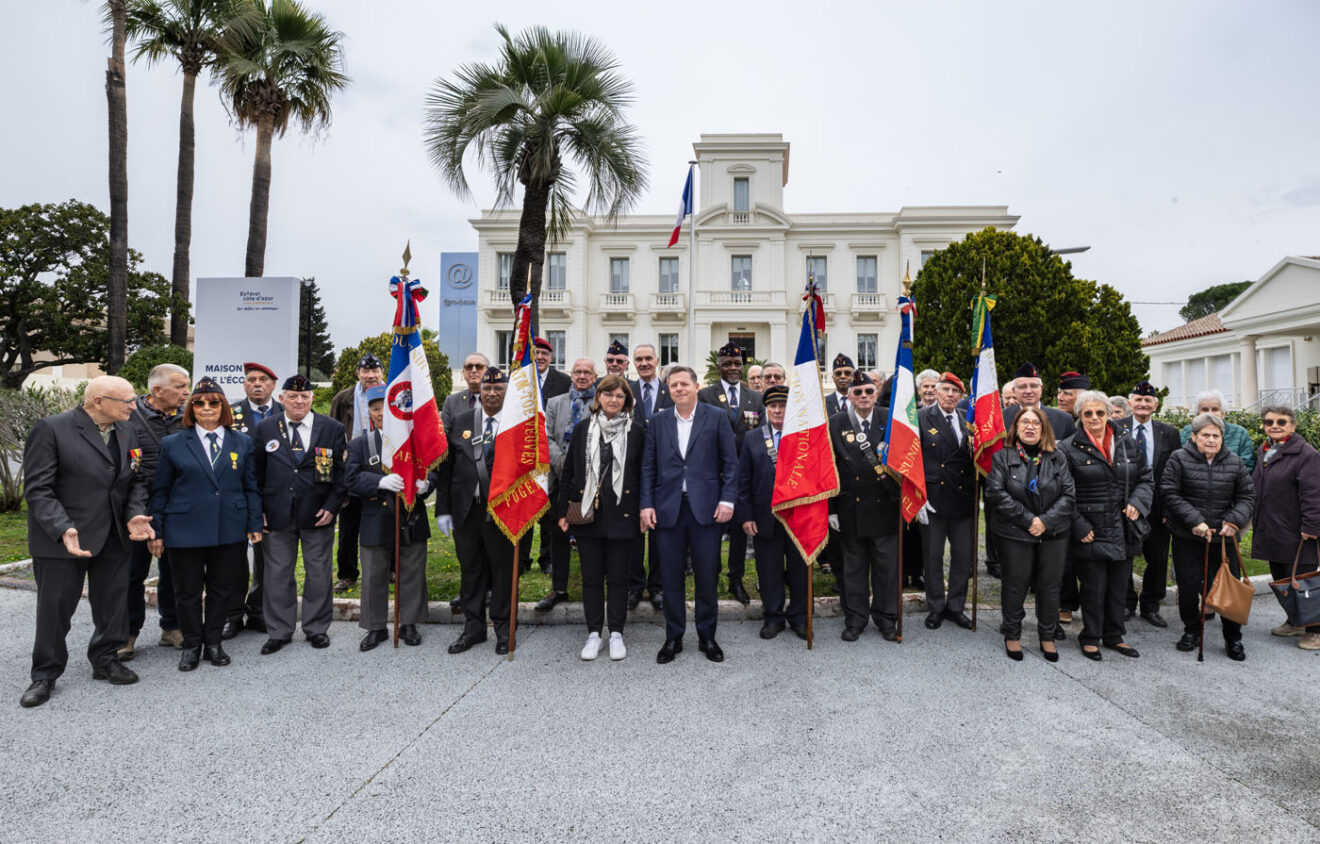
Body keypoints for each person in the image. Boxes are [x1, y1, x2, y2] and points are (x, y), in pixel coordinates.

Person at [20, 375, 156, 708]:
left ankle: (106, 659)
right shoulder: (52, 429)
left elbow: (136, 480)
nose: (134, 406)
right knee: (55, 609)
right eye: (127, 401)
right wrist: (62, 527)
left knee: (112, 602)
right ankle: (45, 674)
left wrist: (135, 513)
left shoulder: (127, 430)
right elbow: (38, 489)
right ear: (98, 401)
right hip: (64, 538)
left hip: (114, 535)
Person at [147, 378, 263, 671]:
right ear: (191, 408)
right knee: (186, 591)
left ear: (223, 407)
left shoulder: (242, 442)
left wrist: (253, 523)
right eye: (199, 403)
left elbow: (251, 487)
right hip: (184, 528)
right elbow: (160, 490)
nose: (206, 408)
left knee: (221, 589)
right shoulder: (173, 443)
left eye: (214, 402)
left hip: (229, 527)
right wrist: (157, 531)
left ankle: (213, 642)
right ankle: (191, 645)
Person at [642, 365, 739, 664]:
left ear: (696, 387)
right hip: (667, 509)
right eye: (673, 385)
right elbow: (648, 466)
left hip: (707, 509)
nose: (679, 389)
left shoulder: (717, 417)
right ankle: (673, 636)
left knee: (707, 574)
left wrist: (728, 500)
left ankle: (707, 636)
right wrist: (646, 505)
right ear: (668, 389)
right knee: (670, 576)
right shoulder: (658, 421)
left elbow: (730, 463)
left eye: (684, 384)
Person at [434, 367, 533, 655]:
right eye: (487, 389)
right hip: (468, 512)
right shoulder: (462, 421)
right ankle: (473, 628)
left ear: (507, 392)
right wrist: (443, 509)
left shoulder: (518, 424)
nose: (492, 393)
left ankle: (504, 629)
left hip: (503, 512)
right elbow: (447, 469)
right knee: (471, 571)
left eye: (498, 388)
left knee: (503, 574)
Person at [253, 375, 348, 654]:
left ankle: (316, 628)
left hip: (317, 514)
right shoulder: (266, 427)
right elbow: (255, 472)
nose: (298, 401)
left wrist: (332, 507)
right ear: (282, 398)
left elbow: (341, 473)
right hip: (276, 514)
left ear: (312, 398)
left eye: (304, 396)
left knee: (318, 573)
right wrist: (258, 510)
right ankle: (279, 631)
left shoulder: (331, 428)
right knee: (277, 574)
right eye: (293, 396)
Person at [1061, 391, 1153, 661]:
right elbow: (1063, 492)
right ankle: (1090, 636)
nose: (1094, 418)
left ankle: (1114, 635)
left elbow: (1146, 478)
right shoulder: (1067, 448)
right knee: (1094, 586)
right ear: (1080, 416)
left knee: (1118, 586)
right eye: (1088, 413)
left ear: (1109, 414)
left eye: (1100, 412)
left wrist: (1138, 502)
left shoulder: (1127, 442)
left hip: (1124, 527)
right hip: (1092, 528)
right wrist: (1078, 525)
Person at [558, 374, 644, 660]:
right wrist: (563, 510)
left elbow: (644, 474)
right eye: (608, 394)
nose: (613, 400)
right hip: (588, 514)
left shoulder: (636, 431)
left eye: (620, 396)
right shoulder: (583, 429)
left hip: (623, 513)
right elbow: (569, 471)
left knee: (619, 578)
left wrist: (644, 509)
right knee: (591, 578)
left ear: (626, 401)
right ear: (599, 397)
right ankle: (594, 633)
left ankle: (616, 633)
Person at [343, 385, 432, 651]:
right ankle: (376, 627)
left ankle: (409, 623)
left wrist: (427, 484)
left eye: (385, 407)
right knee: (373, 575)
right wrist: (378, 481)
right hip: (375, 518)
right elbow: (350, 479)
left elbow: (435, 466)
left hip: (411, 515)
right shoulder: (360, 444)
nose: (381, 413)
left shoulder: (416, 440)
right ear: (369, 413)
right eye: (375, 408)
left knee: (412, 571)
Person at [1161, 413, 1255, 661]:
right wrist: (1195, 521)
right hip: (1188, 536)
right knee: (1189, 587)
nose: (1211, 440)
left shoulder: (1234, 462)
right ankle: (1191, 631)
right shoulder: (1178, 459)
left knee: (1230, 588)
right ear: (1194, 437)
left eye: (1216, 435)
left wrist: (1234, 521)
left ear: (1222, 437)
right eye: (1205, 435)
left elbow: (1246, 496)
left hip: (1223, 538)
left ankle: (1233, 638)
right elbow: (1170, 493)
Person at [985, 407, 1075, 662]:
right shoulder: (1003, 456)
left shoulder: (1058, 457)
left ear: (1044, 428)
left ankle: (1047, 635)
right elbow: (995, 493)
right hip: (1014, 532)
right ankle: (1012, 634)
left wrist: (1044, 521)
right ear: (1016, 428)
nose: (1030, 427)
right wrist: (1029, 520)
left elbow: (1069, 495)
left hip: (1053, 532)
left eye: (1036, 423)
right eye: (1024, 422)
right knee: (1015, 585)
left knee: (1050, 587)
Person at [121, 363, 189, 662]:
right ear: (157, 390)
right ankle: (127, 632)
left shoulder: (187, 417)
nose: (186, 392)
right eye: (180, 386)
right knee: (132, 572)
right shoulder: (128, 417)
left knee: (173, 570)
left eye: (187, 386)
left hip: (175, 506)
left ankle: (172, 627)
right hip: (135, 506)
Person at [828, 371, 903, 641]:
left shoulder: (890, 419)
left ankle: (887, 618)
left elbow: (904, 461)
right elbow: (829, 467)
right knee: (853, 569)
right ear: (849, 396)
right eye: (857, 392)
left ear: (876, 393)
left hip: (885, 507)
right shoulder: (836, 423)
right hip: (850, 508)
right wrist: (831, 509)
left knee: (887, 570)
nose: (864, 396)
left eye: (869, 391)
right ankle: (855, 619)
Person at [735, 385, 808, 640]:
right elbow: (743, 480)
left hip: (799, 517)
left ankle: (799, 617)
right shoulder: (753, 438)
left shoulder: (805, 437)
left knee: (800, 569)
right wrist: (746, 515)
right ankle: (773, 617)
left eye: (783, 406)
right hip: (765, 516)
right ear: (767, 409)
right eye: (773, 406)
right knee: (769, 569)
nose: (778, 411)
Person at [698, 341, 764, 605]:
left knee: (739, 531)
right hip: (714, 475)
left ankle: (735, 579)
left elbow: (760, 436)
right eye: (728, 364)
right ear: (719, 367)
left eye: (737, 363)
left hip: (744, 476)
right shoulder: (706, 396)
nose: (733, 367)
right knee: (713, 531)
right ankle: (712, 577)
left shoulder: (755, 398)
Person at [1250, 405, 1320, 649]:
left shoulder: (1306, 454)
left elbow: (1313, 493)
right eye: (1269, 422)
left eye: (1281, 422)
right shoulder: (1265, 450)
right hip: (1272, 528)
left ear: (1293, 425)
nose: (1274, 426)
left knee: (1304, 582)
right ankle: (1295, 621)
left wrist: (1312, 525)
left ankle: (1315, 630)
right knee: (1282, 579)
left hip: (1298, 531)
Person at [1117, 380, 1181, 627]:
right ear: (1130, 402)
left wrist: (1168, 509)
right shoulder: (1116, 427)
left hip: (1157, 506)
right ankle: (1126, 602)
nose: (1143, 404)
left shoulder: (1169, 433)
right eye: (1138, 399)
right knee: (1124, 556)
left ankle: (1151, 605)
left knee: (1158, 558)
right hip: (1124, 505)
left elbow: (1174, 473)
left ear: (1155, 405)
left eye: (1148, 400)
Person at [226, 361, 282, 639]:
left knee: (266, 558)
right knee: (234, 559)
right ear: (244, 384)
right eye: (251, 380)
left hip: (272, 498)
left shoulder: (286, 412)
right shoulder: (229, 413)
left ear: (273, 385)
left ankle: (259, 611)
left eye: (263, 380)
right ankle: (232, 615)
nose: (257, 384)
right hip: (237, 497)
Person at [538, 357, 597, 611]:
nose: (582, 376)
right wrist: (561, 462)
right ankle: (559, 588)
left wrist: (579, 466)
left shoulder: (601, 402)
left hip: (589, 479)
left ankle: (591, 587)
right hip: (559, 477)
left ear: (595, 377)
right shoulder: (555, 402)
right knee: (558, 534)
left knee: (588, 536)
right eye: (577, 372)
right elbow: (546, 436)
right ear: (571, 375)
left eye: (587, 372)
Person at [918, 372, 976, 631]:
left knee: (963, 557)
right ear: (937, 392)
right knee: (933, 557)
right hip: (933, 500)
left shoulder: (968, 420)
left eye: (955, 391)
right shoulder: (921, 418)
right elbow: (911, 461)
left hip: (962, 499)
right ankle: (936, 607)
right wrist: (918, 497)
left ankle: (956, 606)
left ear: (961, 396)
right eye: (946, 390)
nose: (950, 395)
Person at [331, 353, 385, 593]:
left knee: (386, 518)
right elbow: (333, 433)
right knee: (348, 526)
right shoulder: (343, 398)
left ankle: (390, 569)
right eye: (366, 371)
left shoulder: (394, 394)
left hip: (384, 466)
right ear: (358, 373)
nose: (370, 376)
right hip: (353, 465)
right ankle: (347, 574)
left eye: (375, 371)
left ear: (382, 372)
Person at [627, 343, 671, 610]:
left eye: (648, 358)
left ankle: (657, 586)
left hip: (663, 474)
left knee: (659, 533)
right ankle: (634, 586)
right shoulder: (626, 391)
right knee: (633, 532)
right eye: (639, 359)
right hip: (631, 472)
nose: (643, 363)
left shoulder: (670, 392)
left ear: (657, 360)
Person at [1178, 390, 1256, 470]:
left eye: (1215, 409)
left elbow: (1247, 465)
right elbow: (1179, 463)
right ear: (1197, 414)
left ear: (1223, 413)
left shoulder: (1240, 433)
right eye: (1205, 409)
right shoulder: (1187, 432)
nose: (1210, 413)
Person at [441, 353, 488, 434]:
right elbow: (443, 434)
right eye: (469, 367)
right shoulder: (451, 402)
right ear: (463, 372)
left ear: (488, 372)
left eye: (479, 366)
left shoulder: (501, 400)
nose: (474, 370)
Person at [534, 336, 571, 403]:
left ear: (551, 358)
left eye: (544, 353)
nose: (539, 357)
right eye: (536, 352)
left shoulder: (565, 381)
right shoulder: (520, 379)